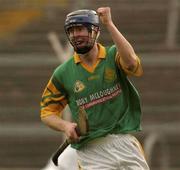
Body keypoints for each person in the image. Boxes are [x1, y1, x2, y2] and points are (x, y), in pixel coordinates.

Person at [40, 7, 149, 170]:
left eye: (80, 29)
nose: (75, 34)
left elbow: (132, 64)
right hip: (92, 152)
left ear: (95, 31)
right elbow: (47, 112)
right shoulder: (63, 73)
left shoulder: (113, 56)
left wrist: (109, 24)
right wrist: (65, 126)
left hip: (125, 143)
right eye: (71, 30)